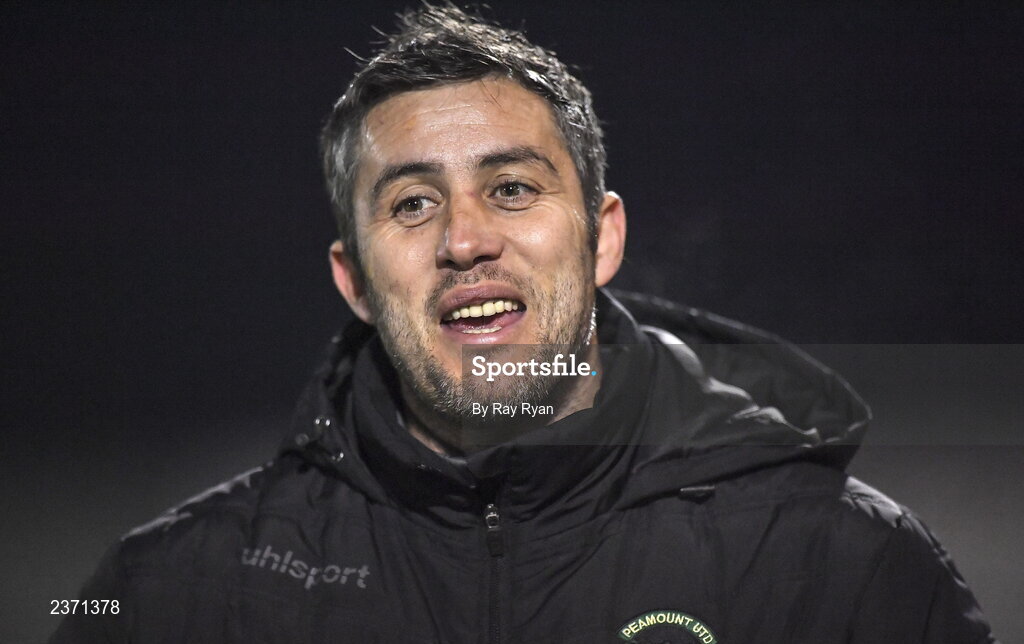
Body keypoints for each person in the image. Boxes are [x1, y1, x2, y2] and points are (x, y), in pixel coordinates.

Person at [53, 5, 997, 643]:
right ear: (352, 279)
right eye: (412, 205)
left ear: (602, 239)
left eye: (511, 188)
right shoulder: (167, 596)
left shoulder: (846, 574)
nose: (465, 240)